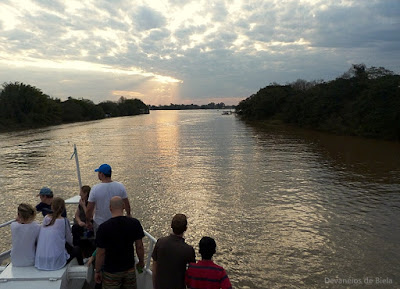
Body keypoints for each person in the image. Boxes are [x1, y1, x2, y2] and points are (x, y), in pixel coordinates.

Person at [94, 196, 145, 289]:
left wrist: (97, 271)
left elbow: (101, 253)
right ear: (124, 206)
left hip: (111, 271)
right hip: (129, 269)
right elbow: (139, 246)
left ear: (110, 208)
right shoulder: (134, 223)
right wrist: (141, 261)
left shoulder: (103, 228)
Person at [35, 197, 82, 270]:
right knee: (77, 249)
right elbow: (69, 240)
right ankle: (82, 266)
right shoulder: (64, 221)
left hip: (40, 259)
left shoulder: (46, 218)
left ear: (52, 207)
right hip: (55, 261)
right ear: (63, 208)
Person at [151, 213, 196, 289]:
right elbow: (192, 274)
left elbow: (154, 267)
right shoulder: (188, 250)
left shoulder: (160, 242)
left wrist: (155, 286)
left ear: (171, 226)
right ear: (185, 228)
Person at [86, 164, 131, 232]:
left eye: (99, 173)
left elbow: (89, 209)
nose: (98, 174)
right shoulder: (120, 186)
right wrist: (128, 214)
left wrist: (88, 221)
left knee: (101, 242)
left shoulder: (95, 189)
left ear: (102, 174)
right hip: (117, 223)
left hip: (100, 223)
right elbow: (126, 204)